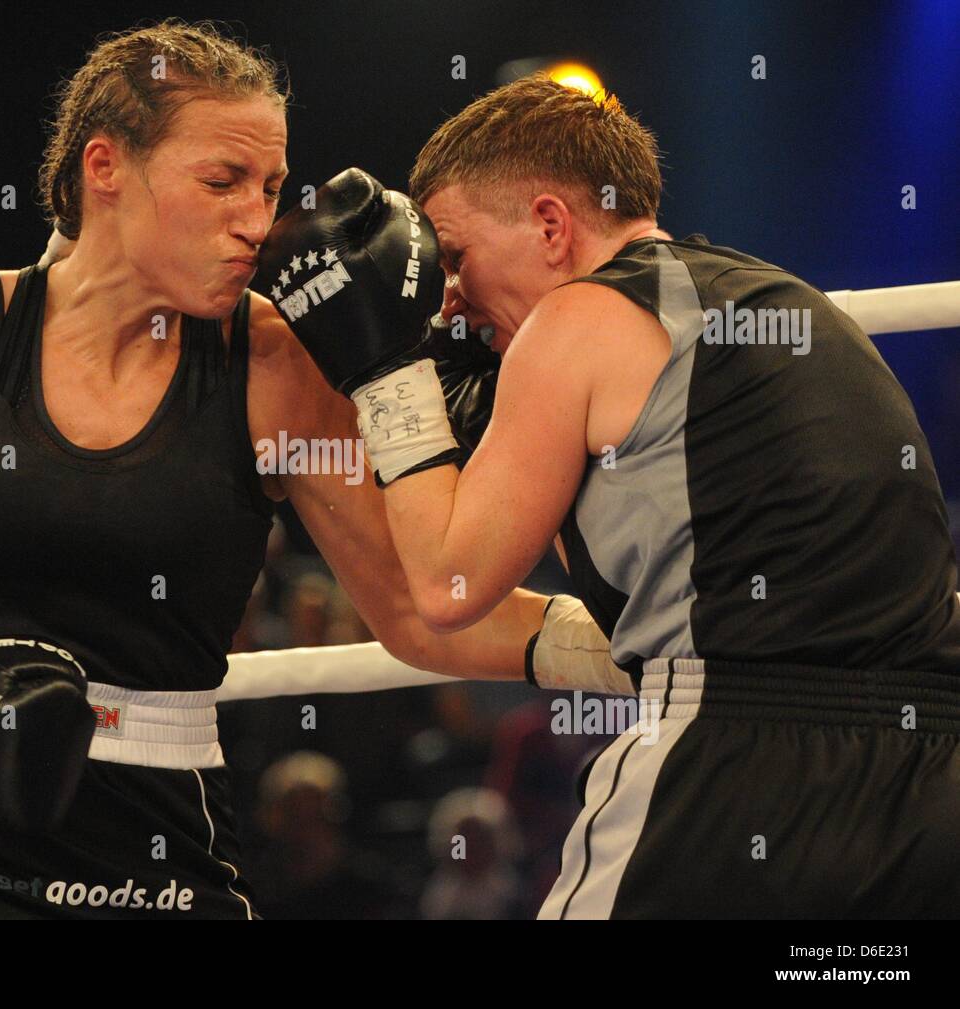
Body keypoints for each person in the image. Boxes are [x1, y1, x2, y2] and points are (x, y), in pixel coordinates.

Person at [0, 25, 622, 920]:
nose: (257, 220)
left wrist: (658, 635)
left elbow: (423, 606)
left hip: (157, 843)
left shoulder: (273, 364)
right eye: (222, 181)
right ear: (105, 167)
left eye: (270, 187)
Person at [261, 74, 960, 918]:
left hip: (730, 764)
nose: (444, 294)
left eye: (454, 256)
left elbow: (447, 586)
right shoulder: (789, 308)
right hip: (925, 781)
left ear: (552, 225)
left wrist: (384, 374)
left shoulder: (576, 322)